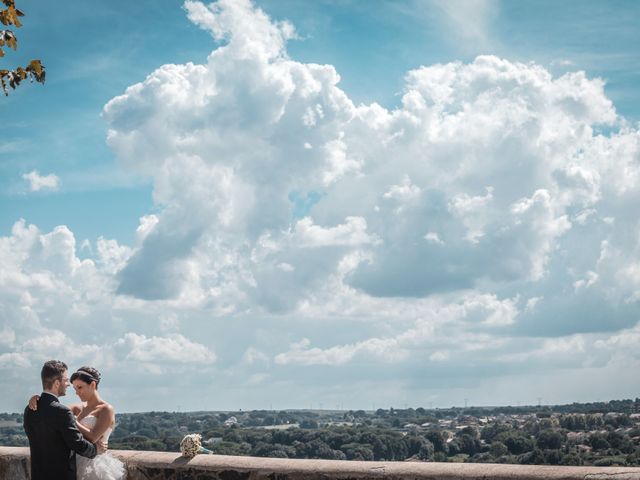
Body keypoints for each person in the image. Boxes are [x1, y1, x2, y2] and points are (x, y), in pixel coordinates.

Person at [28, 365, 126, 480]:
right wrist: (38, 399)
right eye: (74, 389)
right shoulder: (76, 408)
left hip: (95, 464)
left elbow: (93, 437)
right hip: (73, 463)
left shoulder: (106, 409)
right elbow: (54, 413)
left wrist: (74, 421)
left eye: (80, 387)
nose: (77, 393)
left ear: (93, 385)